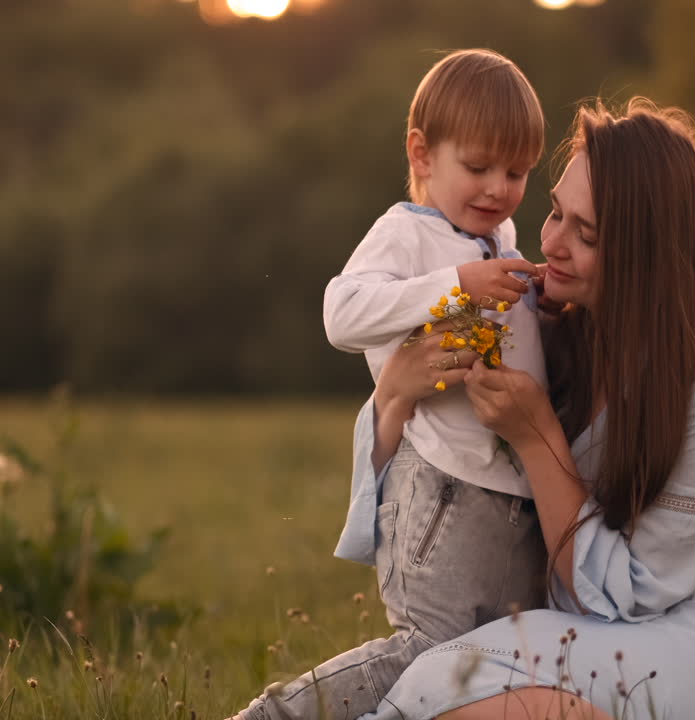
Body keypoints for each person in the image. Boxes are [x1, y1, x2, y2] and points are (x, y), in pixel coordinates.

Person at [355, 98, 695, 719]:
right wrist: (395, 391)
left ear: (644, 258)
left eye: (585, 234)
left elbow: (629, 596)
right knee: (434, 682)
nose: (551, 241)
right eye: (556, 212)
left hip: (685, 640)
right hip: (578, 630)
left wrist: (536, 438)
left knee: (493, 702)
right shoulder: (551, 331)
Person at [234, 49, 551, 720]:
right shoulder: (406, 232)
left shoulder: (500, 238)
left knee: (486, 667)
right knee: (432, 652)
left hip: (509, 492)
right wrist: (456, 287)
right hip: (443, 487)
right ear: (422, 153)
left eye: (517, 171)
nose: (498, 188)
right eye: (478, 167)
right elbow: (341, 313)